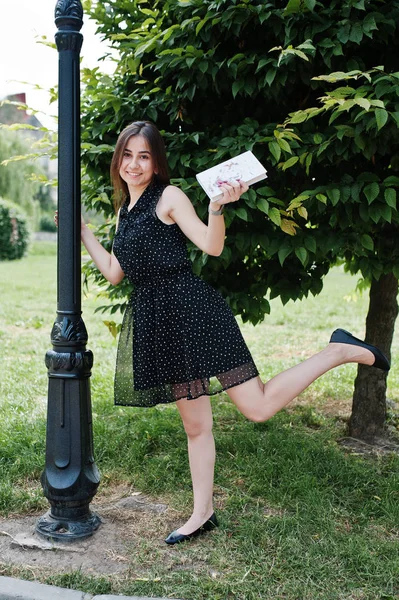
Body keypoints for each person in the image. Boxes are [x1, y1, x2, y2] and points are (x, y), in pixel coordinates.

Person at [76, 120, 390, 545]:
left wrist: (217, 209)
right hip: (161, 322)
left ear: (156, 162)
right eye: (127, 155)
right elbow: (115, 273)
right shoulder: (123, 211)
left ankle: (337, 351)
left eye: (144, 156)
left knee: (257, 407)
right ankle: (202, 512)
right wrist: (83, 233)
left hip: (193, 311)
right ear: (118, 159)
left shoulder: (168, 197)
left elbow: (211, 245)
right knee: (195, 427)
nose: (134, 164)